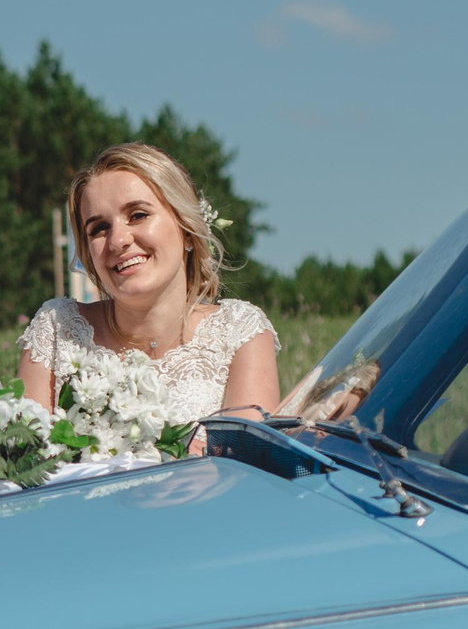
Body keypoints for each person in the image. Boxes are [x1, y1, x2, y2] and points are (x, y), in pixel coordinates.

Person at [19, 142, 280, 426]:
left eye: (138, 215)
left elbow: (246, 462)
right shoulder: (57, 329)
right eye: (99, 228)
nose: (118, 240)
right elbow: (26, 455)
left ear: (187, 229)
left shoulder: (239, 332)